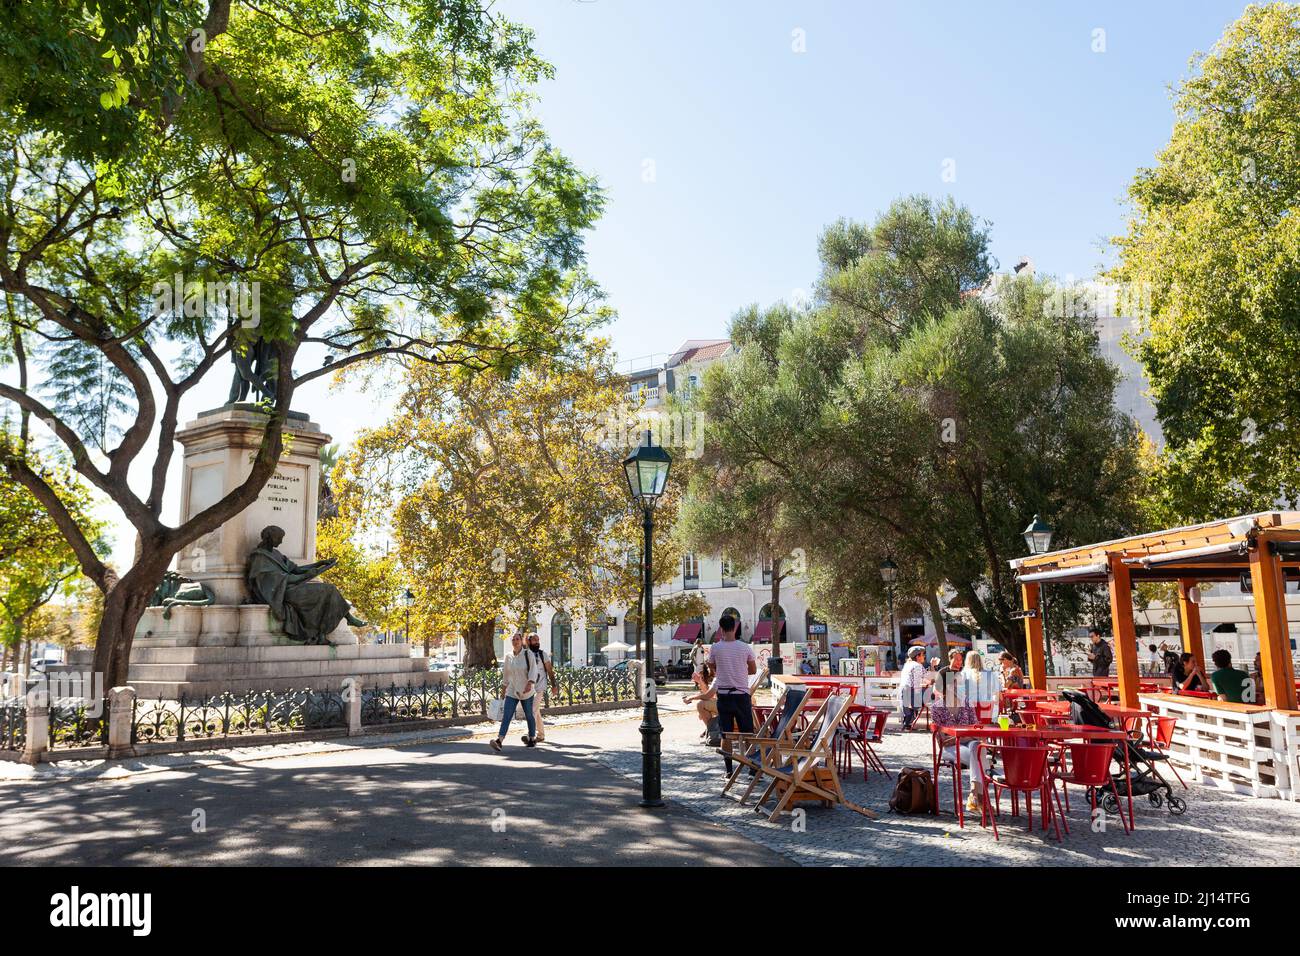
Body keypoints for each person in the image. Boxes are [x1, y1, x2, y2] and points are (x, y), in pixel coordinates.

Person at [683, 613, 756, 775]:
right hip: (742, 695)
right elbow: (753, 670)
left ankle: (729, 770)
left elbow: (711, 666)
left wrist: (722, 670)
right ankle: (752, 770)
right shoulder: (745, 648)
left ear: (721, 629)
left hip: (724, 696)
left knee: (726, 735)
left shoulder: (716, 647)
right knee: (748, 734)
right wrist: (738, 669)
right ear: (735, 627)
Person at [489, 633, 537, 752]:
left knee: (529, 715)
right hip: (512, 690)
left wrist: (530, 683)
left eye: (517, 639)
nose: (515, 641)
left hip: (526, 690)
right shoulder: (508, 656)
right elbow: (506, 673)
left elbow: (533, 670)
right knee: (507, 715)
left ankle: (532, 738)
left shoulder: (528, 654)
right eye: (513, 639)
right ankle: (499, 740)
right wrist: (504, 688)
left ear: (522, 641)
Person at [525, 632, 557, 742]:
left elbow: (550, 671)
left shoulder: (543, 654)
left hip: (540, 686)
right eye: (534, 640)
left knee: (532, 709)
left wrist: (554, 686)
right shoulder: (524, 654)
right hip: (529, 686)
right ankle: (541, 735)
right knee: (536, 710)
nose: (537, 642)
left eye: (538, 640)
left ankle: (530, 734)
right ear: (528, 641)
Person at [898, 646, 929, 731]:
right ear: (917, 656)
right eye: (923, 654)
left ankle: (908, 723)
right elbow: (928, 679)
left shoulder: (907, 665)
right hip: (911, 691)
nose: (924, 656)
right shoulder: (917, 665)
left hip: (903, 690)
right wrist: (933, 666)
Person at [689, 662, 719, 741]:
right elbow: (709, 694)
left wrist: (691, 698)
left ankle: (712, 732)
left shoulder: (718, 677)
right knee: (703, 708)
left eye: (709, 668)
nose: (708, 670)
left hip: (729, 705)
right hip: (740, 703)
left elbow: (708, 695)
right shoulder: (723, 675)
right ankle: (710, 730)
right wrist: (700, 681)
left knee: (701, 705)